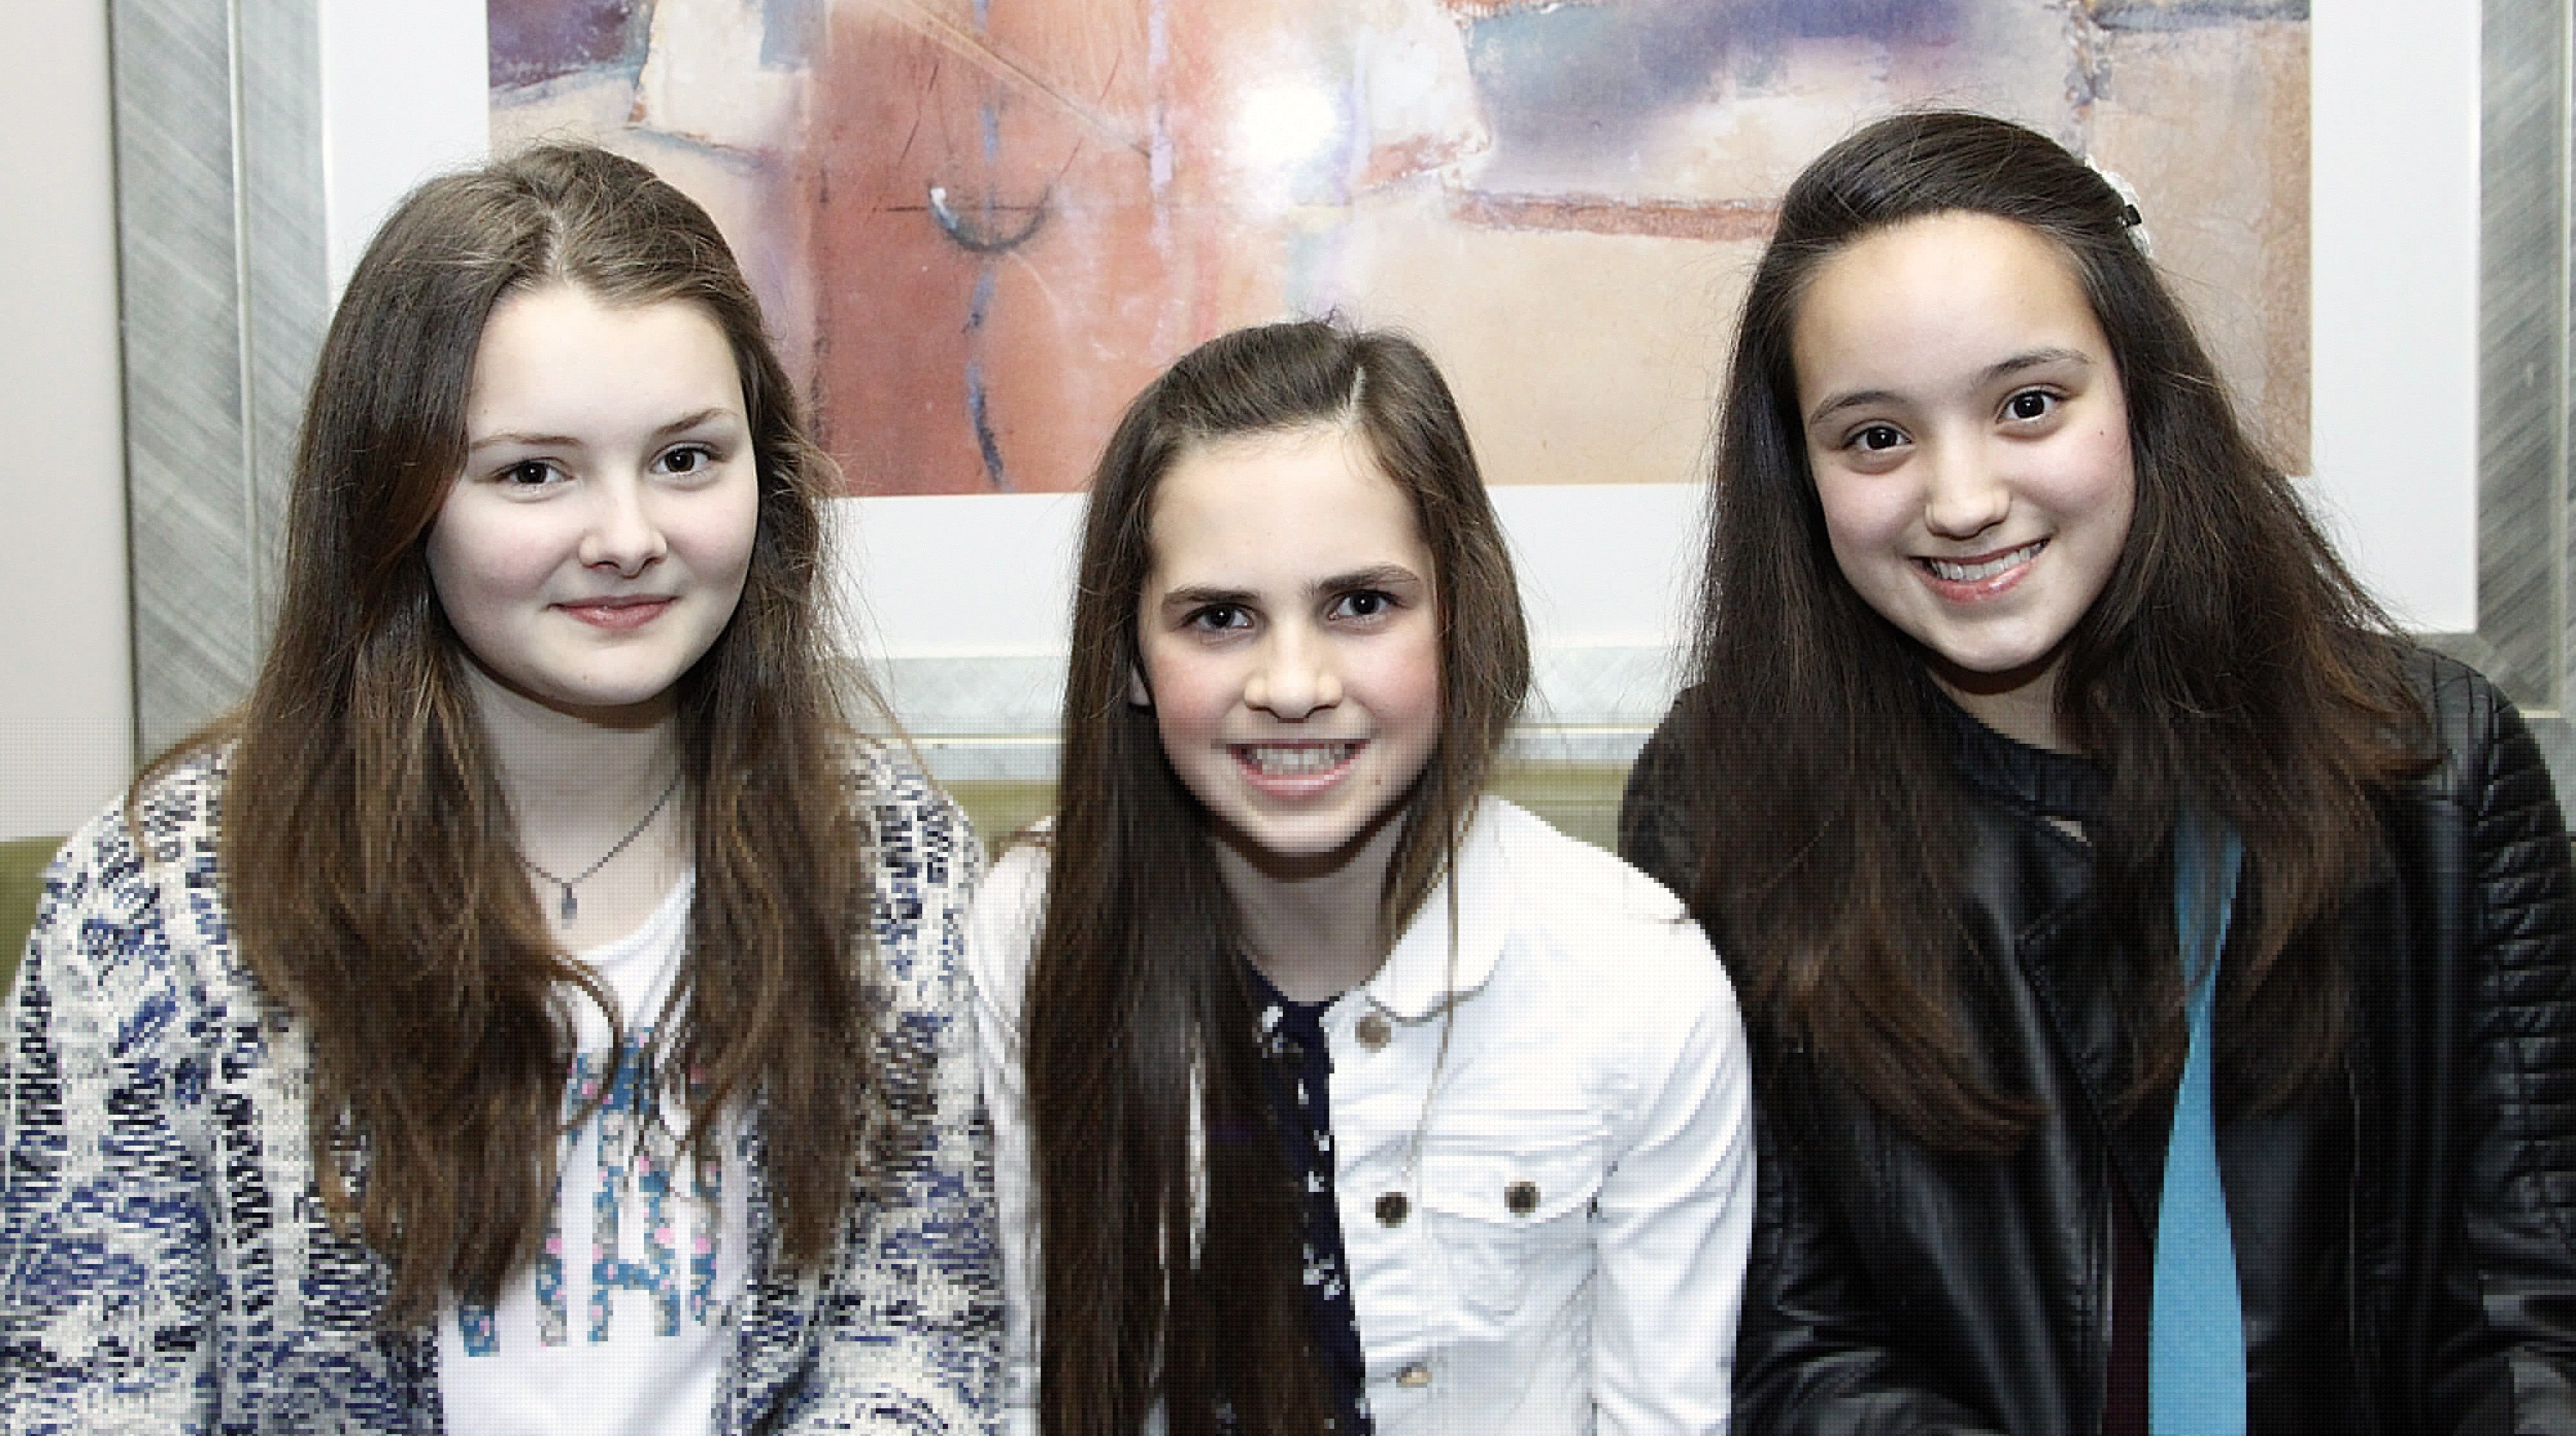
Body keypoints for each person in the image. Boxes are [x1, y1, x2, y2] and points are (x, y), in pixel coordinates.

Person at [0, 145, 998, 1433]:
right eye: (533, 471)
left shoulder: (895, 862)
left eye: (687, 459)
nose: (628, 536)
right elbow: (90, 1388)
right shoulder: (155, 902)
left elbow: (915, 1344)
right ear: (398, 499)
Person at [1619, 109, 2576, 1434]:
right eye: (1875, 437)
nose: (1962, 498)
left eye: (2027, 405)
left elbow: (2529, 1317)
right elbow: (1782, 1340)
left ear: (2139, 393)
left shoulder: (2427, 765)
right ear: (1802, 470)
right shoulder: (1727, 796)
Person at [966, 320, 1754, 1436]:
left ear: (1461, 616)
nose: (1293, 685)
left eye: (1362, 605)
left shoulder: (1636, 974)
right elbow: (1018, 1380)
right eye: (1220, 618)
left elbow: (1664, 1416)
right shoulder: (1033, 932)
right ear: (1132, 658)